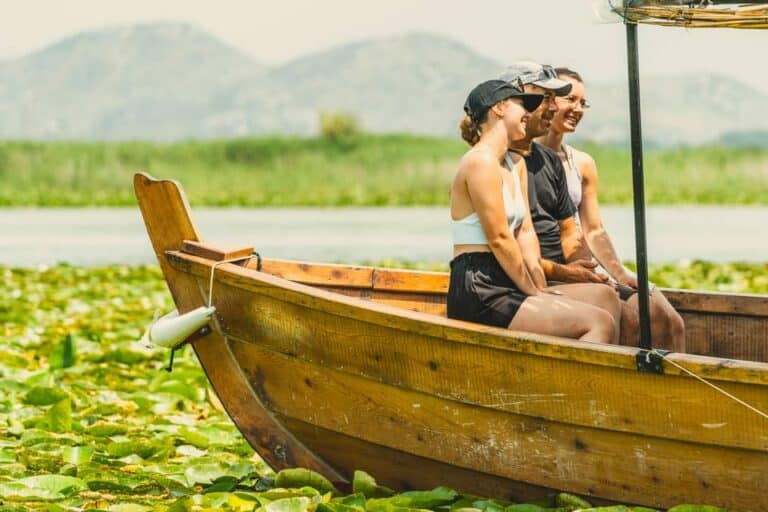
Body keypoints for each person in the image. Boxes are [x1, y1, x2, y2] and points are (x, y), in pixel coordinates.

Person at [448, 79, 620, 343]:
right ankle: (568, 384)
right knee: (598, 323)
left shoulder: (514, 162)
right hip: (480, 285)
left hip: (510, 277)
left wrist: (539, 286)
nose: (528, 114)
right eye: (521, 105)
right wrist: (533, 292)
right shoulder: (480, 162)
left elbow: (525, 233)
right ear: (500, 108)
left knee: (604, 297)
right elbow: (500, 238)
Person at [537, 67, 685, 352]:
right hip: (553, 265)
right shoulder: (527, 159)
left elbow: (593, 229)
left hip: (586, 259)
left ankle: (678, 387)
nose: (577, 109)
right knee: (630, 319)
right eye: (571, 100)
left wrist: (619, 273)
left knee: (668, 318)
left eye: (583, 103)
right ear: (549, 101)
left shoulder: (582, 162)